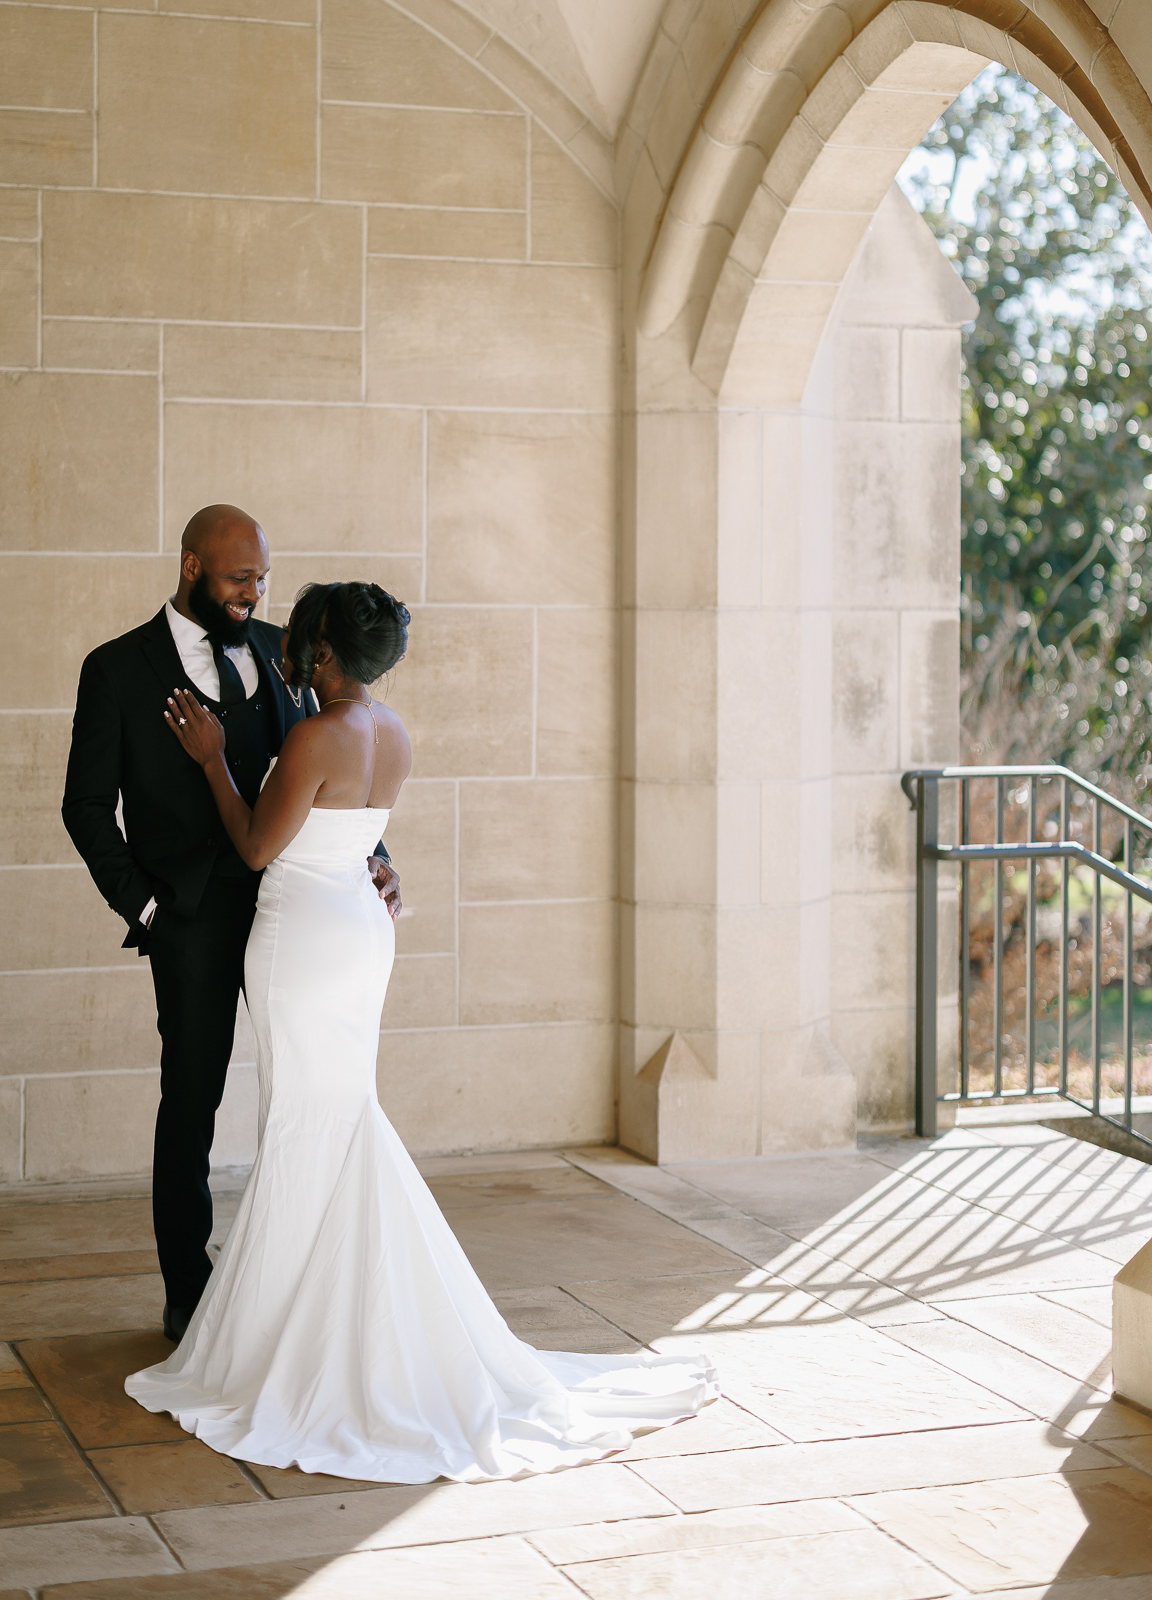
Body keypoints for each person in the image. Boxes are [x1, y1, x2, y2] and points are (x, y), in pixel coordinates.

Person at [125, 580, 718, 1483]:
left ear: (323, 655)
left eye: (306, 641)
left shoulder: (316, 734)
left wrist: (211, 758)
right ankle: (340, 1311)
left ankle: (303, 1333)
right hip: (356, 932)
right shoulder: (390, 731)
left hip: (305, 940)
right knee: (335, 1115)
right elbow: (356, 833)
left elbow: (254, 846)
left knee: (303, 1120)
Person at [60, 506, 399, 1344]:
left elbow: (332, 757)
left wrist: (374, 848)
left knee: (305, 1089)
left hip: (295, 913)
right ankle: (190, 1290)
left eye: (262, 579)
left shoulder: (286, 650)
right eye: (239, 579)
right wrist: (144, 907)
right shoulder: (116, 670)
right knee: (194, 1099)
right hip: (193, 921)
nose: (255, 594)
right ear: (189, 568)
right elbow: (84, 808)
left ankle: (300, 1275)